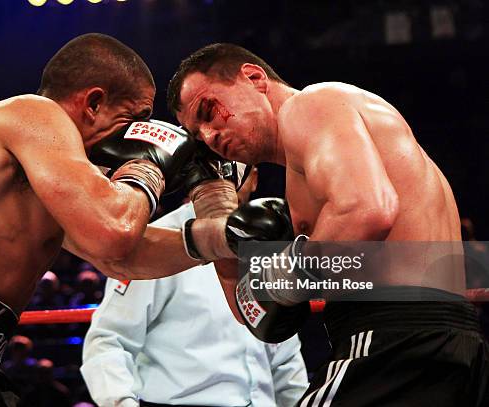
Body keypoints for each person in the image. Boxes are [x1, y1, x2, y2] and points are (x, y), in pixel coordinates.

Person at [0, 33, 198, 406]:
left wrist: (218, 239)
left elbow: (121, 258)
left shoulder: (56, 178)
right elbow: (114, 232)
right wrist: (147, 169)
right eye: (133, 118)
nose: (133, 136)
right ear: (93, 103)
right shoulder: (34, 113)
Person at [165, 43, 489, 406]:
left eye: (209, 112)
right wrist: (214, 202)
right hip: (451, 340)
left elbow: (367, 210)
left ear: (254, 78)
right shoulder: (315, 167)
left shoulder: (310, 105)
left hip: (392, 338)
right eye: (198, 136)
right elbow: (255, 314)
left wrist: (283, 276)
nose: (209, 136)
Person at [81, 169, 309, 407]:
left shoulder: (271, 245)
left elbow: (285, 357)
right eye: (216, 166)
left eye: (233, 168)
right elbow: (109, 339)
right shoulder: (155, 244)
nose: (224, 178)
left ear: (254, 178)